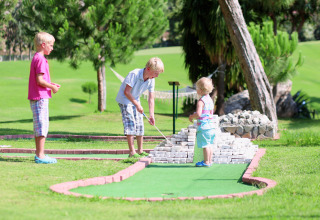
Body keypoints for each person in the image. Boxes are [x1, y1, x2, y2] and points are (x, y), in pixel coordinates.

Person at [116, 57, 164, 158]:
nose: (157, 76)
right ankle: (132, 152)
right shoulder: (134, 74)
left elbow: (151, 98)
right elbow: (126, 92)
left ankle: (140, 151)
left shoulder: (151, 80)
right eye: (156, 73)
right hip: (124, 99)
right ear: (148, 69)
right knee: (131, 123)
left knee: (139, 123)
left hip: (135, 99)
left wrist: (152, 115)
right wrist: (137, 105)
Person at [28, 32, 60, 164]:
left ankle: (39, 154)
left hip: (38, 96)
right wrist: (52, 87)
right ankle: (40, 155)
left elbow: (40, 80)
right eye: (51, 45)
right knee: (42, 125)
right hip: (40, 97)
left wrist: (51, 84)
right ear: (43, 45)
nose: (52, 48)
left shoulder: (36, 57)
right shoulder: (40, 59)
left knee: (40, 125)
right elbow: (40, 80)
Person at [189, 77, 215, 167]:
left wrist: (192, 116)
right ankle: (209, 160)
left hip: (204, 127)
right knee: (209, 144)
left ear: (200, 90)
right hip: (211, 126)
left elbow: (199, 114)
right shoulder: (210, 100)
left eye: (197, 88)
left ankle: (206, 162)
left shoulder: (201, 101)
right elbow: (210, 112)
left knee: (205, 145)